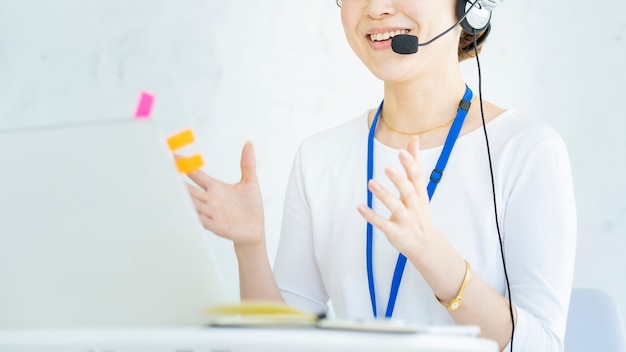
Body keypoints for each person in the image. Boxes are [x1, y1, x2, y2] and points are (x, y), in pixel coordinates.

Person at [184, 0, 577, 351]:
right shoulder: (320, 157)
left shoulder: (526, 151)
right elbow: (281, 344)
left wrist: (432, 253)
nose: (375, 8)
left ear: (470, 6)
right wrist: (250, 247)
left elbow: (539, 346)